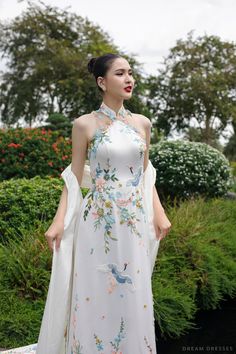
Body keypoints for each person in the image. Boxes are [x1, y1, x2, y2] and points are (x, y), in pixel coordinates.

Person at [2, 53, 171, 354]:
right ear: (102, 82)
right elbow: (74, 177)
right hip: (98, 221)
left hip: (134, 219)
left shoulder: (142, 124)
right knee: (96, 292)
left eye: (130, 72)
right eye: (120, 74)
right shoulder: (84, 125)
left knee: (133, 290)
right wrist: (58, 221)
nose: (129, 79)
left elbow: (146, 174)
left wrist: (159, 213)